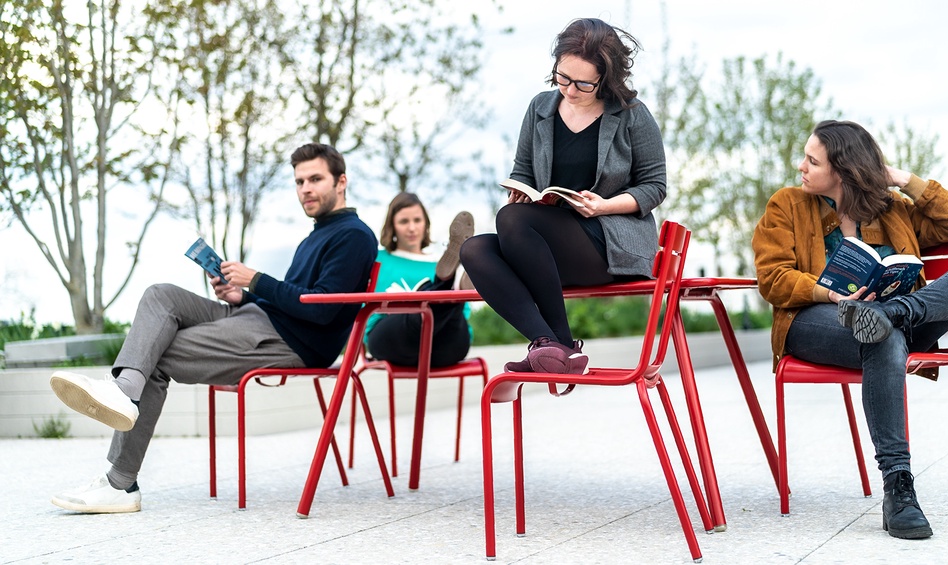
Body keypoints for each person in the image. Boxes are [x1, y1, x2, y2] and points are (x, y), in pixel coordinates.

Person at [47, 143, 378, 513]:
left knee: (154, 354)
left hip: (288, 342)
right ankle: (125, 389)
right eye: (300, 181)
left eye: (315, 179)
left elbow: (321, 309)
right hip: (258, 320)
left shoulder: (354, 235)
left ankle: (120, 484)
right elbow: (293, 301)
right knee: (161, 295)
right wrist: (242, 297)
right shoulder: (316, 235)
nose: (305, 189)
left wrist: (257, 281)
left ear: (341, 181)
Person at [752, 120, 948, 539]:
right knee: (879, 333)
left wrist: (899, 178)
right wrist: (833, 297)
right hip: (814, 320)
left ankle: (898, 311)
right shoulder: (787, 204)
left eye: (813, 161)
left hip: (895, 321)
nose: (801, 167)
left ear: (844, 170)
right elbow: (772, 279)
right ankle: (899, 486)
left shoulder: (892, 209)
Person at [459, 18, 666, 374]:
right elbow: (522, 169)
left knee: (511, 221)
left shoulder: (632, 115)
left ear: (606, 78)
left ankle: (562, 344)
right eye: (563, 77)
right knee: (474, 249)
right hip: (548, 248)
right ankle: (550, 346)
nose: (570, 90)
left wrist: (603, 206)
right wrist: (519, 191)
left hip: (608, 243)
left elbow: (655, 185)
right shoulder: (540, 108)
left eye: (583, 84)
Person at [364, 192, 474, 367]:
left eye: (417, 220)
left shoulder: (436, 261)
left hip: (445, 345)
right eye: (404, 222)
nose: (412, 228)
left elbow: (465, 314)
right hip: (394, 340)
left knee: (450, 306)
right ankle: (448, 283)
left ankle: (449, 286)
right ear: (392, 225)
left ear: (426, 224)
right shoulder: (378, 258)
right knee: (422, 308)